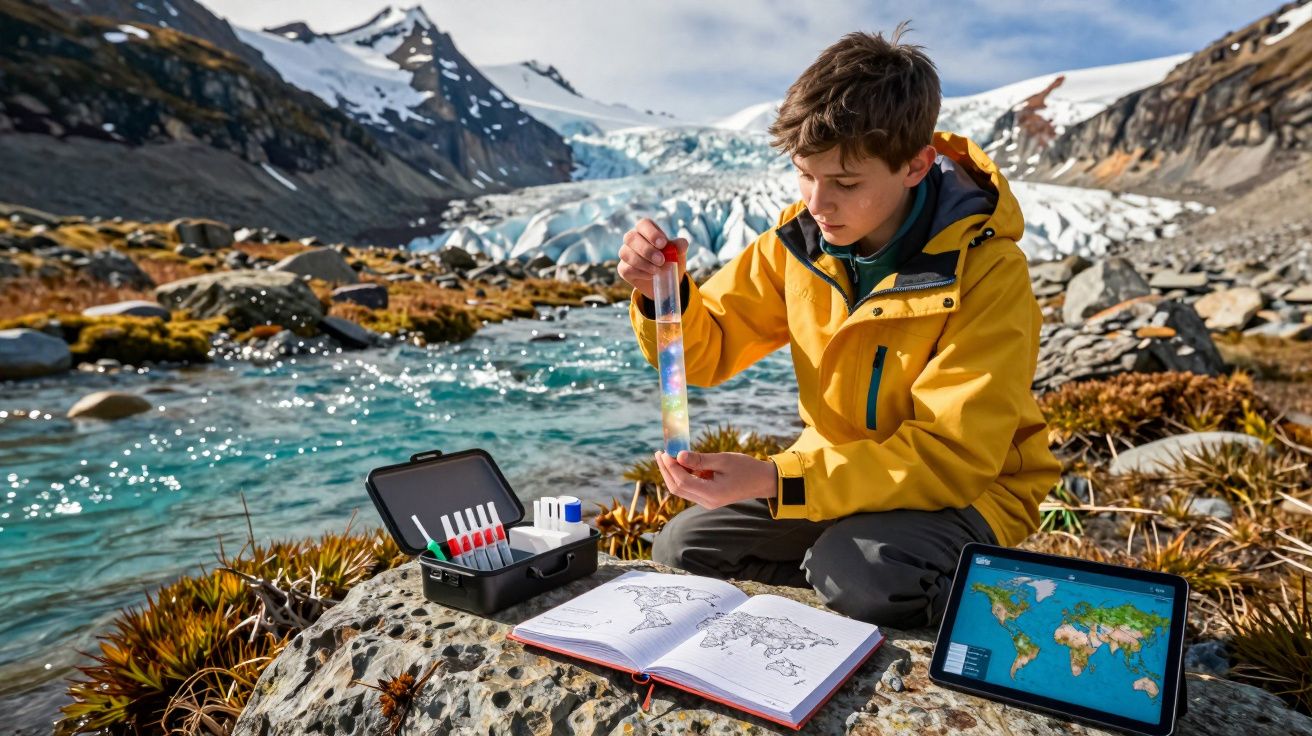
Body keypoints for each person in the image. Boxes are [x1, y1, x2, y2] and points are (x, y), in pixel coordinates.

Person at [617, 25, 1061, 630]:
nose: (818, 203)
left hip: (967, 492)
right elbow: (707, 349)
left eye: (846, 184)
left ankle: (997, 606)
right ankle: (830, 573)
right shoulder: (799, 242)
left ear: (915, 165)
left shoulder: (988, 272)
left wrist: (778, 480)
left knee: (861, 574)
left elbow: (952, 455)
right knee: (682, 546)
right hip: (831, 477)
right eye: (805, 174)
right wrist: (660, 298)